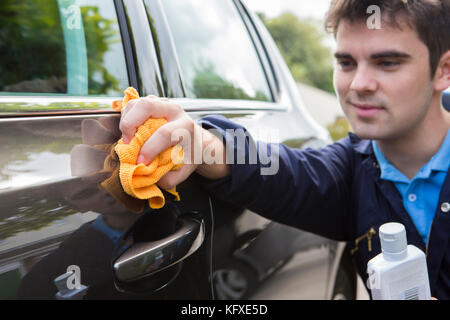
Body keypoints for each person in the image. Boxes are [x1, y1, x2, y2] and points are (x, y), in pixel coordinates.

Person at [118, 0, 450, 299]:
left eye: (388, 62)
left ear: (443, 70)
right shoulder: (351, 169)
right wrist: (205, 145)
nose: (359, 84)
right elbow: (282, 170)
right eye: (346, 63)